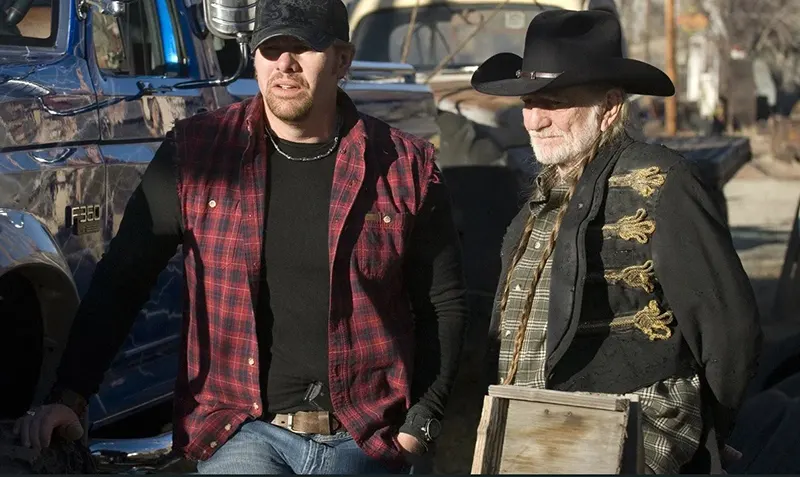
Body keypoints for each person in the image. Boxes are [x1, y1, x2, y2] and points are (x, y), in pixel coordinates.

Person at [14, 0, 470, 473]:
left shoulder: (404, 167)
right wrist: (70, 397)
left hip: (364, 433)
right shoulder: (198, 154)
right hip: (241, 430)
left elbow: (443, 303)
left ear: (342, 60)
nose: (285, 64)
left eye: (303, 48)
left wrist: (421, 423)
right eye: (271, 49)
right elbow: (123, 278)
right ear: (254, 59)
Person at [471, 9, 761, 474]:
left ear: (608, 107)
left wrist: (709, 430)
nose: (534, 121)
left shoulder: (661, 182)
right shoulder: (539, 200)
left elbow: (729, 328)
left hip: (626, 439)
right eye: (528, 103)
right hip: (532, 441)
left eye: (553, 103)